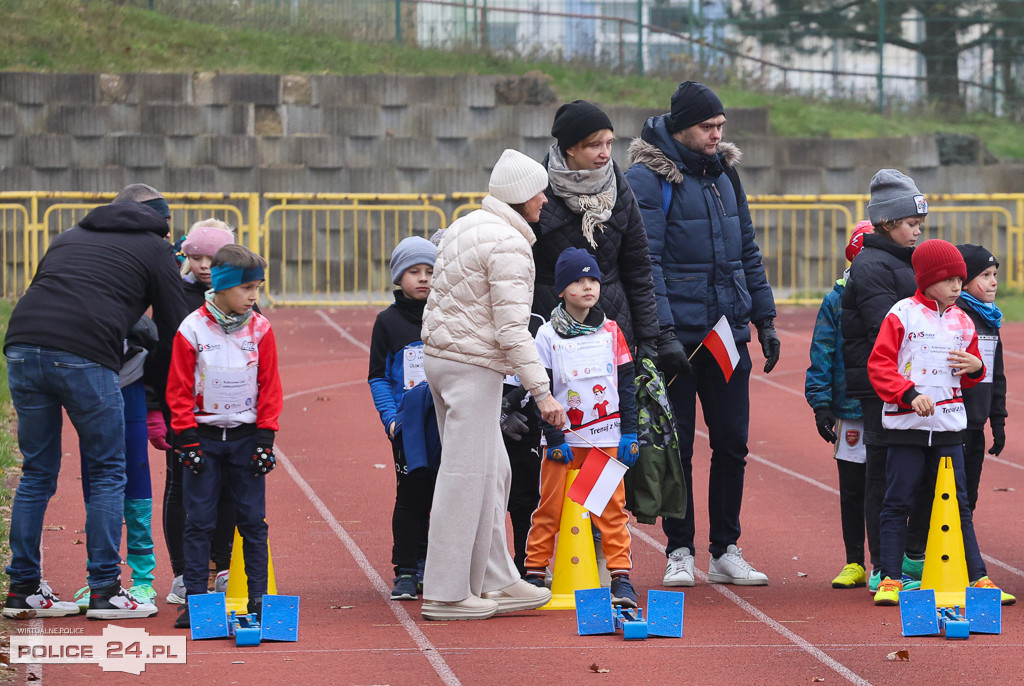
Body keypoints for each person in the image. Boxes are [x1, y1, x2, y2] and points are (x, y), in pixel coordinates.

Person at [3, 183, 186, 620]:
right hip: (84, 356)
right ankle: (105, 588)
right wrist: (159, 397)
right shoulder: (156, 248)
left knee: (36, 473)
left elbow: (49, 292)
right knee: (107, 471)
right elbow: (177, 326)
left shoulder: (67, 234)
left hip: (21, 346)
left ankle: (23, 588)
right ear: (160, 222)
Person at [624, 81, 779, 586]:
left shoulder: (725, 175)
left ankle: (725, 548)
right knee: (679, 448)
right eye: (708, 127)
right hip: (679, 340)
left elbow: (747, 252)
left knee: (733, 443)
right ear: (681, 127)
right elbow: (645, 264)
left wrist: (765, 318)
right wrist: (662, 333)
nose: (717, 135)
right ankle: (679, 548)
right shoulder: (648, 179)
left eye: (721, 127)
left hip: (727, 334)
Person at [420, 148, 564, 621]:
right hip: (472, 366)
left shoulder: (466, 225)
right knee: (465, 477)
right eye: (538, 191)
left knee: (494, 471)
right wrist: (542, 393)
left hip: (446, 360)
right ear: (521, 196)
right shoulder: (508, 244)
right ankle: (445, 593)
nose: (544, 199)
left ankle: (495, 578)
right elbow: (510, 330)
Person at [867, 239, 1012, 606]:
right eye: (949, 280)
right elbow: (879, 366)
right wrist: (909, 394)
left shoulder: (963, 320)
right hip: (906, 429)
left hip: (949, 428)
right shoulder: (902, 314)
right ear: (927, 279)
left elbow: (972, 371)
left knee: (959, 502)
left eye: (961, 281)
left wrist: (976, 368)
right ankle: (890, 579)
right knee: (897, 502)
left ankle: (978, 576)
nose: (957, 288)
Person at [165, 244, 283, 628]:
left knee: (252, 520)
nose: (254, 296)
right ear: (222, 287)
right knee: (199, 519)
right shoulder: (192, 328)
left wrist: (266, 439)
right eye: (247, 288)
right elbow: (179, 387)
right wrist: (185, 438)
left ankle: (259, 600)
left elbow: (270, 385)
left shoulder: (261, 328)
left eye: (258, 287)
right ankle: (197, 601)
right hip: (204, 436)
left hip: (247, 437)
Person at [523, 248, 641, 607]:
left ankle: (620, 578)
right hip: (565, 443)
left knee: (611, 510)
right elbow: (541, 387)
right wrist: (554, 436)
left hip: (606, 441)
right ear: (561, 289)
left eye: (592, 279)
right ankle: (533, 574)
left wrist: (631, 433)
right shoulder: (546, 336)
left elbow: (626, 384)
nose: (587, 286)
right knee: (550, 509)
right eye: (577, 280)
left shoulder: (611, 331)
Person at [841, 169, 933, 592]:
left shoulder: (905, 262)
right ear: (888, 222)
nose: (918, 232)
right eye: (912, 225)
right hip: (880, 385)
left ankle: (907, 556)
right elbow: (888, 329)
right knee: (882, 472)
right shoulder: (872, 265)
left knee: (914, 469)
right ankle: (882, 563)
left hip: (910, 381)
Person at [159, 219, 238, 605]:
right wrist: (156, 409)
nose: (205, 264)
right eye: (197, 256)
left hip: (230, 415)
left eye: (214, 257)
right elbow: (160, 357)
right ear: (186, 256)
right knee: (180, 488)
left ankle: (221, 567)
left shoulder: (242, 298)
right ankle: (181, 573)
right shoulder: (173, 294)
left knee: (227, 488)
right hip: (184, 414)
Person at [368, 236, 439, 600]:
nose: (424, 278)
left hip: (446, 424)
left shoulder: (447, 317)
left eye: (430, 271)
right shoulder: (388, 323)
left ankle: (438, 564)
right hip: (409, 427)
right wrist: (391, 419)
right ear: (399, 277)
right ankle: (407, 570)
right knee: (411, 497)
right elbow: (378, 376)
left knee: (445, 496)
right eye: (415, 272)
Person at [74, 316, 161, 612]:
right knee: (94, 483)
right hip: (91, 386)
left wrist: (155, 408)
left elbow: (156, 346)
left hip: (131, 389)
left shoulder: (135, 314)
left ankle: (143, 578)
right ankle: (98, 576)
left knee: (137, 486)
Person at [805, 222, 872, 589]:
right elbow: (823, 350)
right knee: (852, 488)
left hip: (889, 407)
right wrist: (821, 403)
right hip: (850, 410)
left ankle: (887, 562)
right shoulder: (836, 300)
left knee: (888, 487)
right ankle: (854, 562)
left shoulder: (899, 293)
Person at [955, 244, 1007, 511]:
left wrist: (997, 420)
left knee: (969, 498)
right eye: (985, 275)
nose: (994, 282)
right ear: (963, 282)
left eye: (994, 274)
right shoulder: (956, 317)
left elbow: (996, 375)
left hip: (976, 425)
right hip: (953, 425)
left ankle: (960, 550)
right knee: (951, 496)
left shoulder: (989, 319)